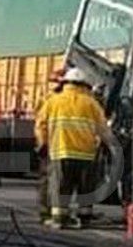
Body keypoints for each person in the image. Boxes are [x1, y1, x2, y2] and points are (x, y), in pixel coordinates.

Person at [35, 67, 115, 230]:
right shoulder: (91, 103)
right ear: (84, 84)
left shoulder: (53, 101)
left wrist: (43, 143)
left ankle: (59, 219)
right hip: (86, 154)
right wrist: (107, 145)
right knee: (85, 189)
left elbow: (40, 125)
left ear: (65, 83)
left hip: (61, 151)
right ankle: (84, 217)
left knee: (61, 187)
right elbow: (103, 128)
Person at [34, 68, 66, 222]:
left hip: (49, 141)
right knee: (51, 178)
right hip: (52, 142)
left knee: (47, 178)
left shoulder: (47, 97)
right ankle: (49, 210)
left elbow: (39, 122)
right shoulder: (53, 99)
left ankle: (46, 210)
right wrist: (43, 142)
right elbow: (41, 123)